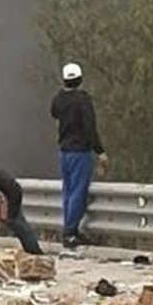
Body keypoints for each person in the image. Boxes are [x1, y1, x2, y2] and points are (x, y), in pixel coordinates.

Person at [51, 63, 107, 247]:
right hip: (80, 152)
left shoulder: (59, 100)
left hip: (64, 151)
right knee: (78, 191)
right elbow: (90, 127)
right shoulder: (83, 100)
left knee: (68, 190)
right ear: (80, 79)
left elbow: (54, 112)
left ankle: (69, 228)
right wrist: (100, 151)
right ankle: (70, 232)